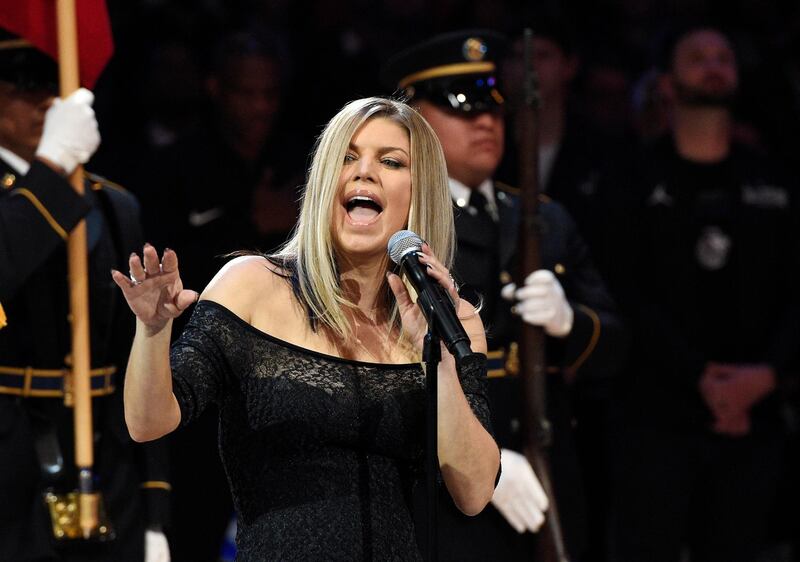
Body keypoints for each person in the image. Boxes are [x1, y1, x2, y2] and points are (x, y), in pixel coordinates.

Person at [111, 97, 501, 560]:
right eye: (347, 157)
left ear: (421, 191)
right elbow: (148, 422)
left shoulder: (452, 319)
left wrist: (435, 359)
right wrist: (153, 331)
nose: (364, 172)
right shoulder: (252, 286)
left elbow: (473, 492)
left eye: (391, 161)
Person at [383, 29, 628, 561]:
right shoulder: (399, 226)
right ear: (415, 118)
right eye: (462, 108)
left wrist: (571, 322)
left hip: (549, 464)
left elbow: (617, 346)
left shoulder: (543, 219)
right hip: (441, 478)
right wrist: (485, 462)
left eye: (493, 107)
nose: (486, 121)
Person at [611, 25, 799, 562]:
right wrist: (698, 375)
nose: (714, 65)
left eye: (723, 57)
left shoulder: (774, 179)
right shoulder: (632, 177)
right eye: (698, 57)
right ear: (667, 81)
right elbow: (623, 290)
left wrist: (766, 375)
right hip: (657, 414)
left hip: (755, 414)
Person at [0, 32, 170, 561]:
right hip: (9, 463)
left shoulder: (113, 205)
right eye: (27, 85)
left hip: (107, 459)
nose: (48, 99)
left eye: (55, 83)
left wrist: (156, 509)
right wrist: (50, 169)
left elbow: (138, 356)